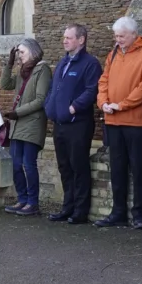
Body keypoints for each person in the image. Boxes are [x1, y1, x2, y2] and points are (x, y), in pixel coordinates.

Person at [95, 16, 142, 230]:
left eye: (121, 36)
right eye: (116, 35)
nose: (118, 39)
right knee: (117, 168)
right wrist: (103, 102)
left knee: (138, 168)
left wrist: (121, 105)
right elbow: (103, 80)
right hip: (113, 120)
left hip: (137, 122)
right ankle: (118, 212)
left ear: (134, 34)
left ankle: (139, 214)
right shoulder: (113, 54)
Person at [44, 24, 102, 224]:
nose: (65, 40)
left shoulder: (90, 64)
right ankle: (66, 207)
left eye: (69, 37)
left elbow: (92, 90)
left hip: (78, 124)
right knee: (64, 167)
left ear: (81, 40)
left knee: (78, 166)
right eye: (64, 37)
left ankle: (80, 210)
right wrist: (49, 107)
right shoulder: (62, 63)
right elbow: (53, 88)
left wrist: (74, 108)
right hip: (59, 123)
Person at [0, 38, 51, 216]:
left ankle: (32, 203)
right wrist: (10, 63)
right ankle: (22, 200)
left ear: (32, 51)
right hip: (17, 125)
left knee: (28, 164)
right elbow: (5, 84)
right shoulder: (22, 72)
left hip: (32, 124)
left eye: (21, 52)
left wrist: (17, 112)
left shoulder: (42, 70)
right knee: (15, 164)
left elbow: (41, 99)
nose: (19, 55)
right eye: (18, 52)